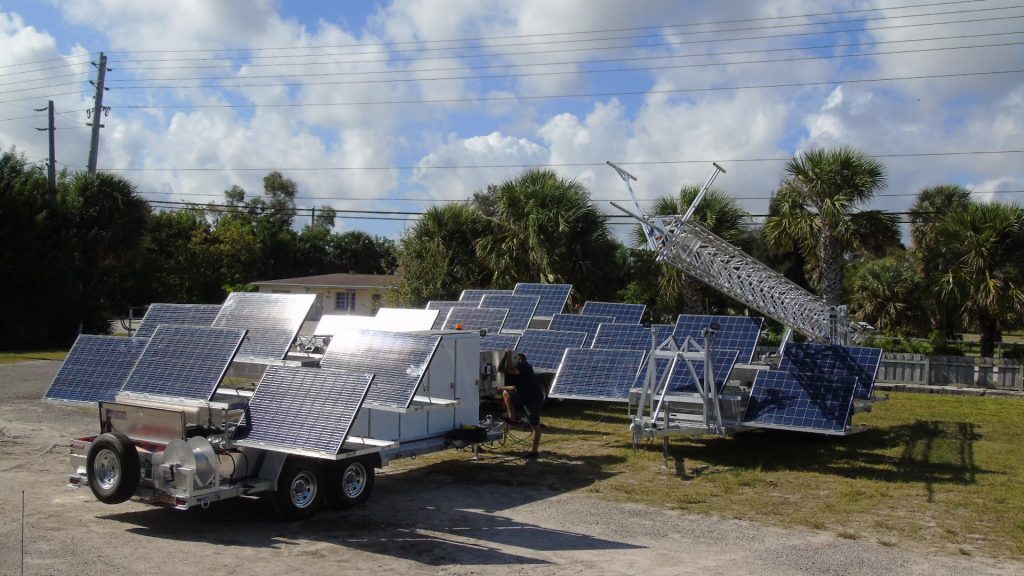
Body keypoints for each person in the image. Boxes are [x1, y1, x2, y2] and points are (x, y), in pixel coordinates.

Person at [499, 349, 543, 459]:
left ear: (519, 360)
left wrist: (509, 355)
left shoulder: (525, 367)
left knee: (535, 426)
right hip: (524, 396)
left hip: (532, 399)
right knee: (506, 393)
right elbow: (502, 369)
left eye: (516, 360)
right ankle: (512, 417)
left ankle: (534, 452)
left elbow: (509, 369)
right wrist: (505, 357)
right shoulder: (519, 369)